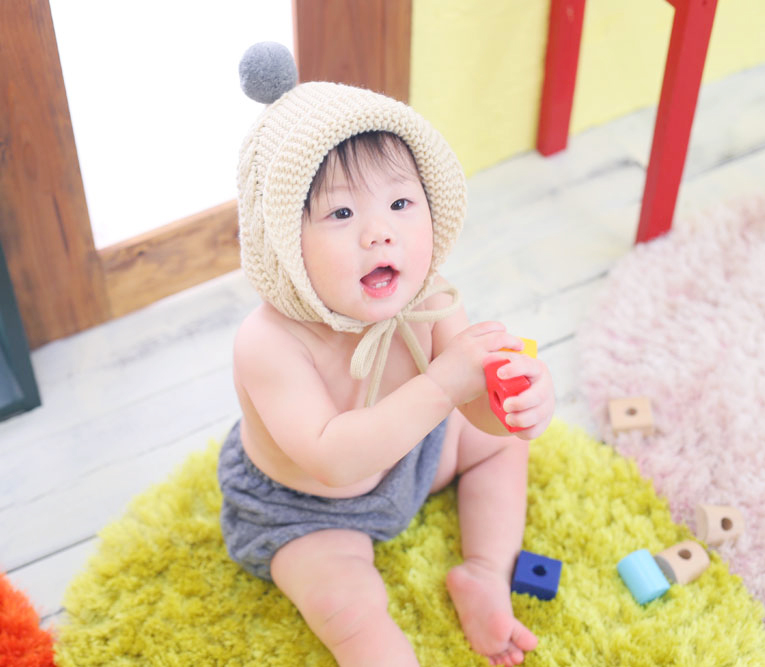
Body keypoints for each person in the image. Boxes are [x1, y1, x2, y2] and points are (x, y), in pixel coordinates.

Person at [219, 43, 556, 667]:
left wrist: (515, 404)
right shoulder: (268, 343)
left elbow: (475, 409)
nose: (380, 232)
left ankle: (485, 571)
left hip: (413, 457)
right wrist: (444, 385)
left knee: (503, 448)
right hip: (308, 509)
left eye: (400, 204)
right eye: (342, 212)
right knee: (347, 611)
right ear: (283, 241)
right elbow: (334, 460)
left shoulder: (428, 298)